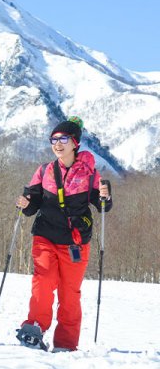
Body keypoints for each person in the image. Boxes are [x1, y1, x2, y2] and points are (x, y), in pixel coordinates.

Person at [15, 116, 112, 352]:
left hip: (76, 242)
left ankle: (66, 345)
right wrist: (25, 203)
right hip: (45, 236)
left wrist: (105, 198)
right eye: (54, 139)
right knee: (43, 280)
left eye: (63, 139)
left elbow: (101, 207)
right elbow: (31, 206)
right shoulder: (45, 171)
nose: (57, 144)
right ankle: (33, 329)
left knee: (70, 294)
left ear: (75, 143)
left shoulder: (90, 174)